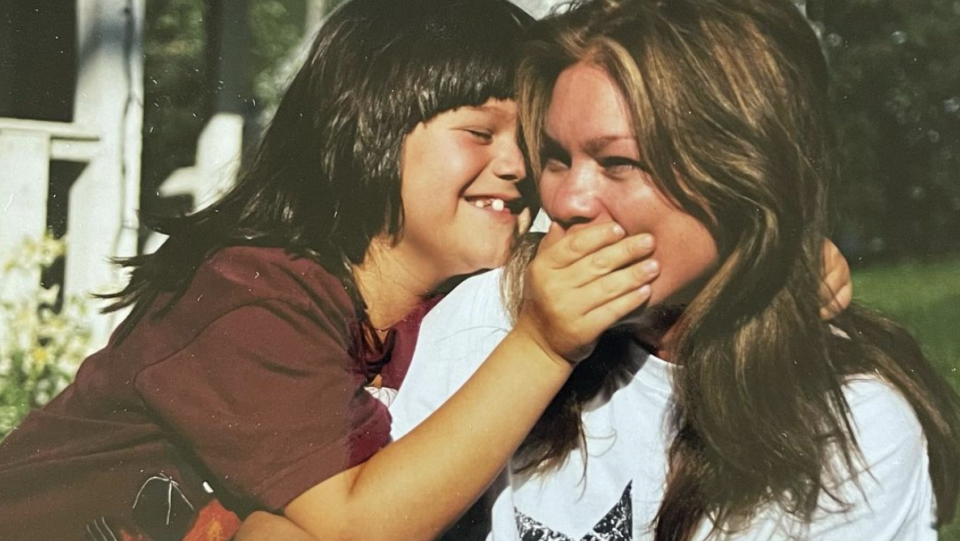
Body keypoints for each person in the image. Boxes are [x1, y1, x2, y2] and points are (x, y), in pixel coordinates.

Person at [0, 1, 663, 540]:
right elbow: (354, 527)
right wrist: (543, 344)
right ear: (365, 130)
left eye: (532, 143)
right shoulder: (254, 296)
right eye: (481, 133)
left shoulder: (444, 317)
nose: (519, 167)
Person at [387, 0, 960, 539]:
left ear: (742, 174)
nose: (567, 201)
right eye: (557, 157)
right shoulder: (492, 316)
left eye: (618, 163)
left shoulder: (852, 426)